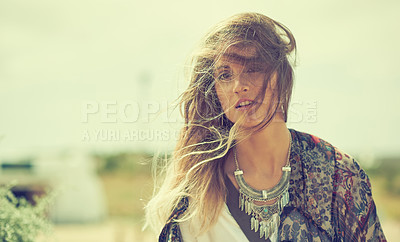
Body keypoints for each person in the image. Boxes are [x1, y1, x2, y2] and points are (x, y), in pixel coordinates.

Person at [145, 12, 386, 241]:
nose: (239, 85)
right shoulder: (198, 193)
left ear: (279, 77)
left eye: (253, 69)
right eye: (225, 75)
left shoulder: (338, 175)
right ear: (215, 91)